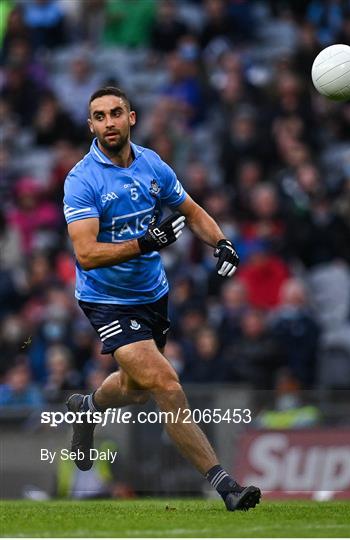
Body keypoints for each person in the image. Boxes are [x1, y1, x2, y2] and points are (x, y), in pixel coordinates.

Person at [63, 86, 260, 511]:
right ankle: (225, 485)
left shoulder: (152, 164)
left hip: (153, 295)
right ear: (91, 125)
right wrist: (145, 242)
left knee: (136, 392)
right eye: (99, 116)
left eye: (116, 113)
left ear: (131, 118)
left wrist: (222, 242)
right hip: (107, 300)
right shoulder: (82, 179)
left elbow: (191, 210)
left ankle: (87, 406)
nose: (109, 122)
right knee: (166, 384)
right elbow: (86, 253)